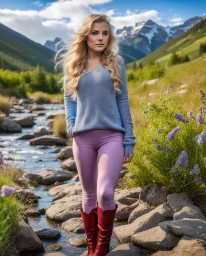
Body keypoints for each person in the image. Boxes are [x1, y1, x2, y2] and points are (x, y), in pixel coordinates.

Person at [56, 14, 136, 256]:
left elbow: (123, 101)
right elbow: (69, 101)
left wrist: (129, 140)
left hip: (112, 136)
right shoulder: (73, 64)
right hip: (83, 138)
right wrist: (71, 127)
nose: (100, 38)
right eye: (95, 33)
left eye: (104, 33)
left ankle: (101, 249)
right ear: (86, 35)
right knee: (89, 195)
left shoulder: (116, 61)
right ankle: (91, 248)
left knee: (105, 193)